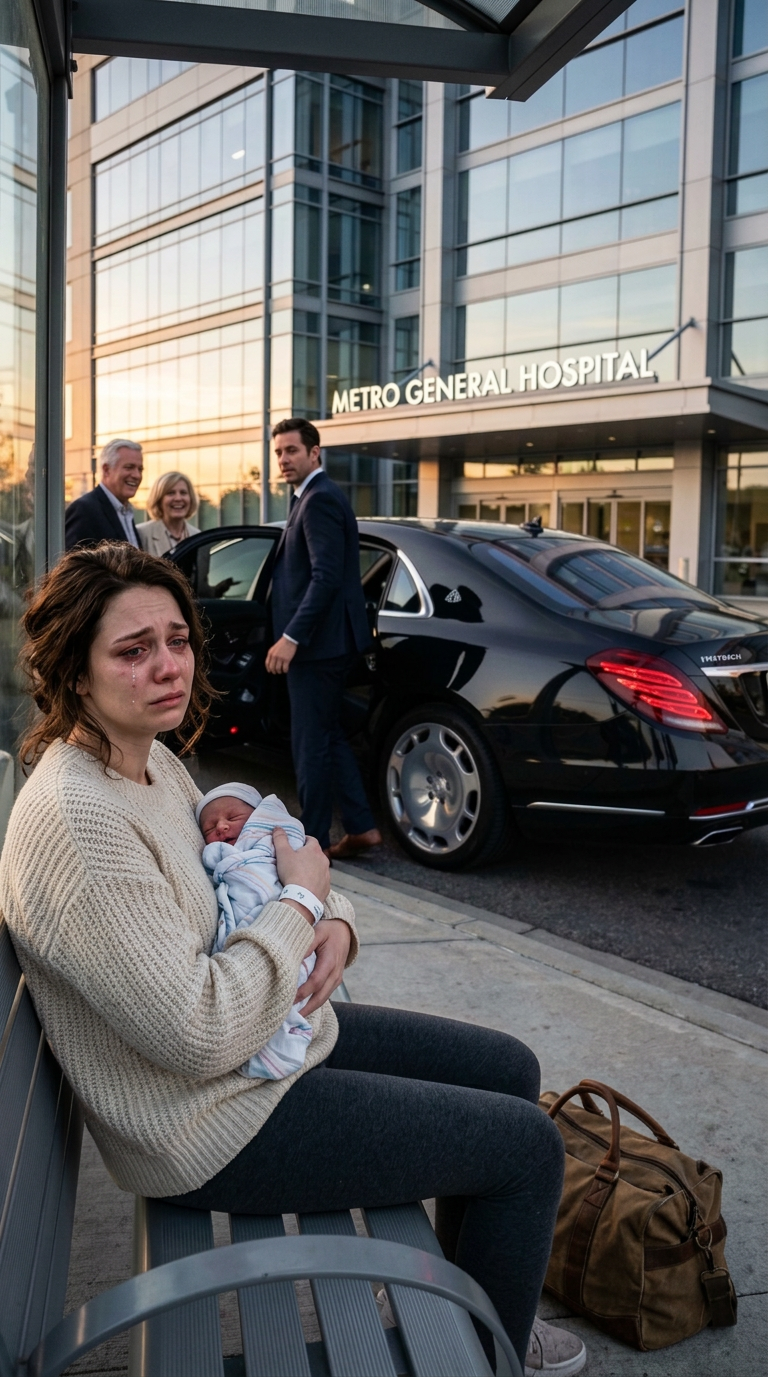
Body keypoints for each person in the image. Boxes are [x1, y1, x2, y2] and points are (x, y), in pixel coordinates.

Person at [0, 541, 584, 1377]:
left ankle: (467, 1305)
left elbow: (274, 854)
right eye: (133, 650)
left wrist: (335, 923)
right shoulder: (79, 820)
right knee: (526, 1149)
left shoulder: (148, 758)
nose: (167, 665)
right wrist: (307, 905)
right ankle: (485, 1350)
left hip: (262, 1046)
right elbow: (198, 1028)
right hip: (208, 1124)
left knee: (508, 1066)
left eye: (177, 638)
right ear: (75, 672)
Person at [266, 418, 382, 860]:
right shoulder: (312, 498)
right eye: (279, 452)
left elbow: (327, 577)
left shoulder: (318, 499)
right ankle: (361, 827)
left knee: (310, 746)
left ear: (315, 453)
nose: (283, 460)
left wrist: (292, 636)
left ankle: (310, 844)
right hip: (330, 644)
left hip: (317, 648)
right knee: (328, 737)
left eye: (291, 451)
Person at [197, 781, 319, 1080]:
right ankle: (278, 1037)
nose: (222, 828)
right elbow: (306, 887)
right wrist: (303, 899)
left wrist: (334, 921)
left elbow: (313, 873)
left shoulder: (271, 840)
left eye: (233, 818)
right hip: (235, 1078)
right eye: (210, 828)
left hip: (318, 1017)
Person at [65, 439, 143, 550]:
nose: (137, 475)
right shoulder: (84, 510)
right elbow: (72, 564)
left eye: (140, 469)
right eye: (129, 467)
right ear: (106, 470)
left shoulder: (126, 512)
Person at [136, 471, 200, 556]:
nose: (178, 498)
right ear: (159, 500)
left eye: (183, 493)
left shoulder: (197, 536)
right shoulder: (142, 534)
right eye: (171, 493)